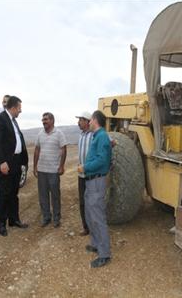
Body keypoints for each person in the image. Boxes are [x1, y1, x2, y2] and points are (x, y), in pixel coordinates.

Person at [78, 110, 112, 268]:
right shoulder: (98, 136)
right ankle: (96, 243)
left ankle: (104, 254)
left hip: (96, 181)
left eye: (90, 119)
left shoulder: (102, 136)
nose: (88, 122)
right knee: (90, 215)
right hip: (90, 181)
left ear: (95, 120)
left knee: (98, 217)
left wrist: (85, 167)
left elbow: (102, 160)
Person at [0, 96, 29, 236]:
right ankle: (1, 224)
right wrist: (2, 162)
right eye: (19, 108)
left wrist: (23, 162)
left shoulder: (14, 121)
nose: (20, 111)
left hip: (16, 162)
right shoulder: (0, 119)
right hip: (6, 163)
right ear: (13, 108)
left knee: (14, 193)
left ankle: (14, 220)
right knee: (4, 194)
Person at [33, 112, 67, 228]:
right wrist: (35, 166)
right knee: (43, 195)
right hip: (42, 170)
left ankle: (56, 218)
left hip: (53, 171)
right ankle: (46, 217)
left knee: (55, 195)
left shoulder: (59, 134)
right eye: (43, 119)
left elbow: (63, 149)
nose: (44, 121)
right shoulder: (40, 134)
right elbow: (37, 150)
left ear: (52, 120)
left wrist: (61, 166)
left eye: (46, 119)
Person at [75, 111, 93, 236]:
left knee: (92, 203)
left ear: (87, 121)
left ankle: (94, 228)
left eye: (80, 120)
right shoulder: (81, 136)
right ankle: (86, 227)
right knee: (82, 202)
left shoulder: (95, 135)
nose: (78, 122)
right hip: (81, 176)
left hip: (92, 176)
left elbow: (109, 142)